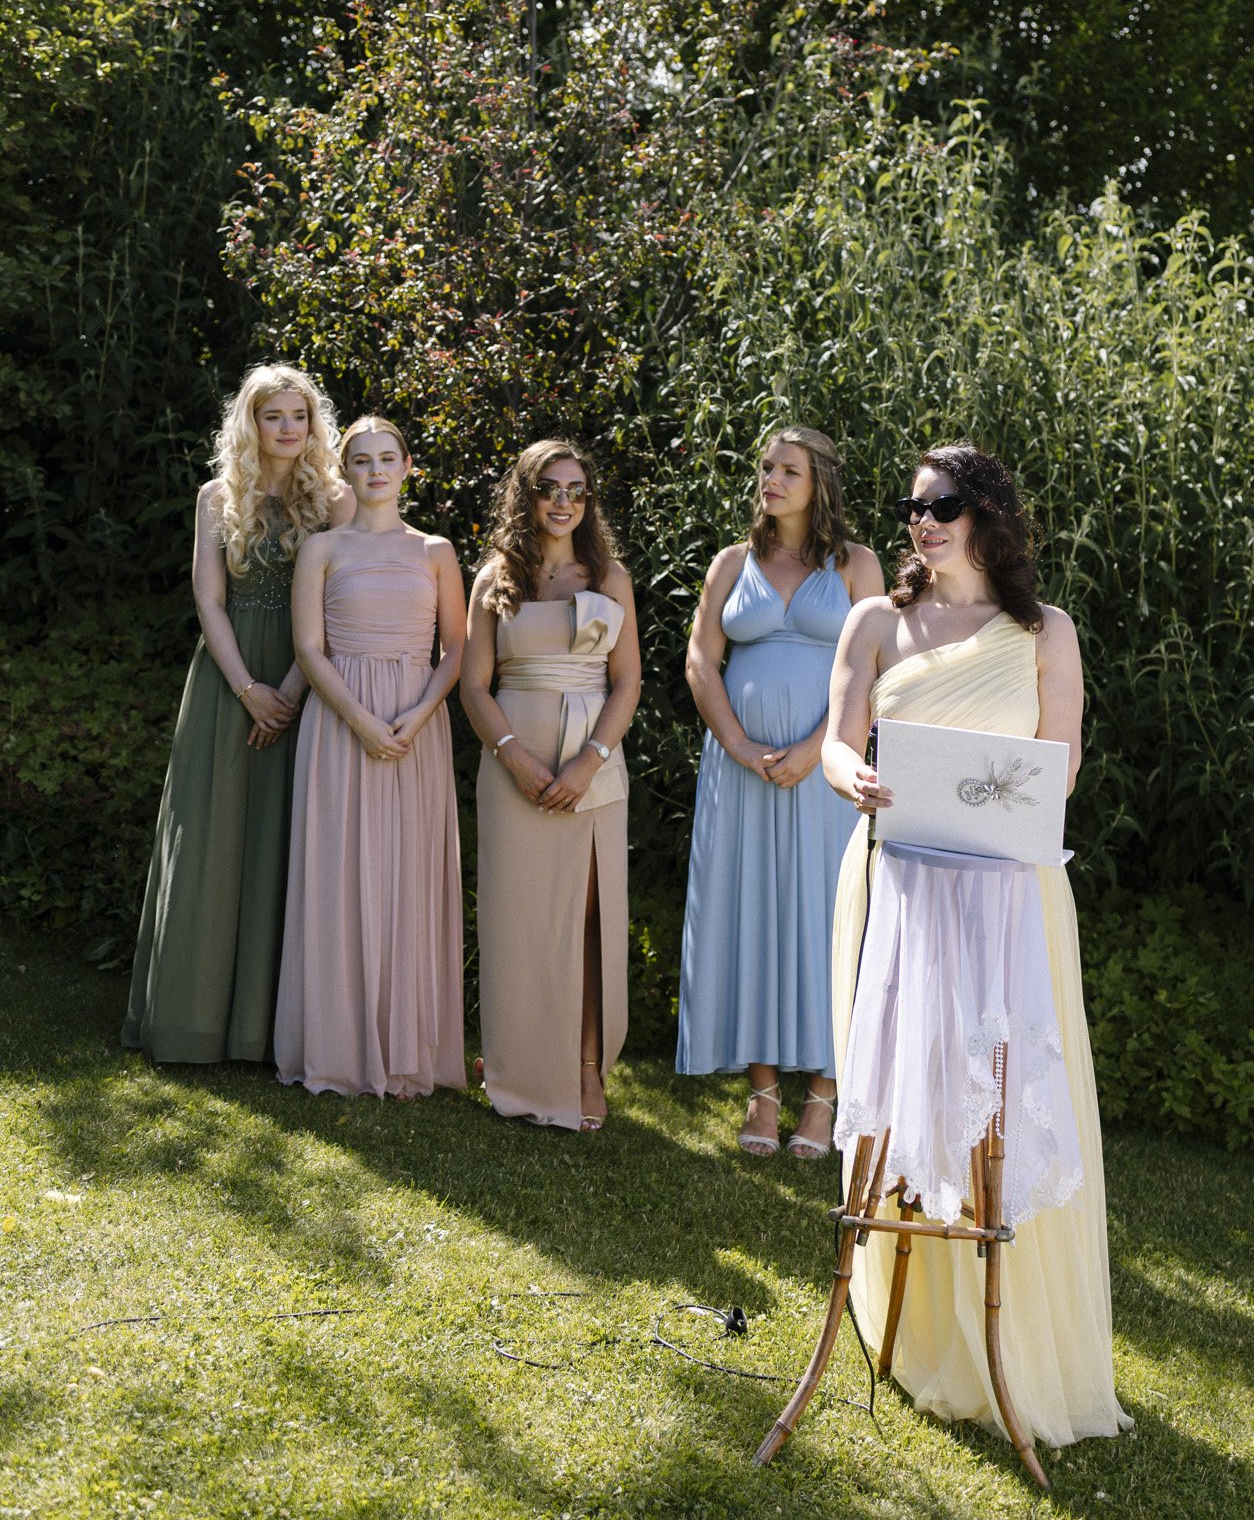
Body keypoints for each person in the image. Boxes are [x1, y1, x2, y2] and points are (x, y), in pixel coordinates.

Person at [821, 441, 1130, 1445]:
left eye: (942, 502)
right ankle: (909, 1322)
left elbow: (1062, 762)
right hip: (899, 884)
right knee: (905, 1097)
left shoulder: (1043, 630)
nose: (922, 519)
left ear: (986, 510)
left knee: (998, 1107)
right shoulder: (877, 620)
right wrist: (848, 775)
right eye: (912, 504)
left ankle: (1009, 1338)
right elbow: (835, 739)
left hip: (1004, 894)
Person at [123, 364, 352, 1064]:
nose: (287, 428)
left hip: (307, 677)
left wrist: (290, 687)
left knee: (285, 842)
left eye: (299, 416)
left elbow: (340, 608)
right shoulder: (216, 496)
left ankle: (262, 1033)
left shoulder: (336, 502)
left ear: (314, 426)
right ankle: (188, 1022)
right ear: (249, 424)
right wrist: (250, 690)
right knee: (211, 842)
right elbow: (208, 601)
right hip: (227, 681)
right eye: (272, 416)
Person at [675, 427, 883, 1156]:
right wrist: (736, 742)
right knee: (751, 915)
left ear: (817, 481)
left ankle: (823, 1098)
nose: (770, 478)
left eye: (787, 469)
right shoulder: (732, 564)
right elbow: (702, 659)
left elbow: (876, 666)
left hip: (825, 771)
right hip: (739, 772)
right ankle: (762, 1097)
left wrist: (817, 747)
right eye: (764, 466)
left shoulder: (857, 565)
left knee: (825, 916)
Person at [274, 416, 467, 1099]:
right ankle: (336, 1047)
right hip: (339, 721)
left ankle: (406, 1049)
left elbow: (457, 651)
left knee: (406, 875)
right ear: (347, 471)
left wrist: (417, 715)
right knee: (338, 872)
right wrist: (358, 720)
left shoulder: (436, 551)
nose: (376, 470)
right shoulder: (321, 548)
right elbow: (308, 649)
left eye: (388, 458)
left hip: (416, 725)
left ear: (408, 466)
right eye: (361, 460)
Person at [461, 440, 640, 1133]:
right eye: (549, 488)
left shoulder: (608, 575)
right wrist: (514, 758)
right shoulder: (494, 578)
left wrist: (588, 761)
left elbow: (626, 682)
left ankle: (586, 1070)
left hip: (592, 770)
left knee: (587, 923)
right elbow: (475, 686)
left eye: (576, 490)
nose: (563, 502)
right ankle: (519, 1071)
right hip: (512, 768)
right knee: (517, 923)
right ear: (526, 495)